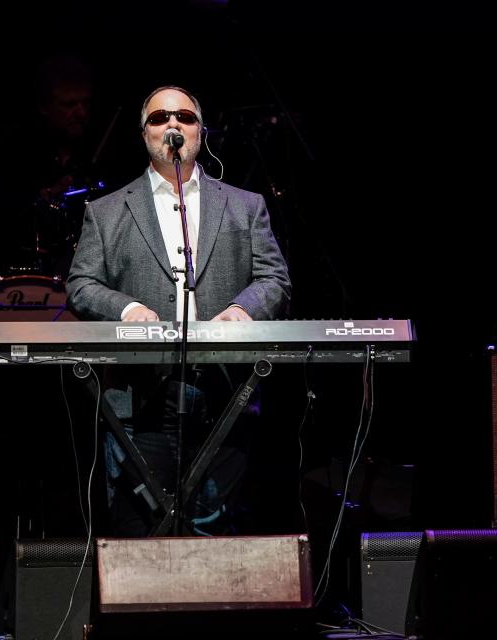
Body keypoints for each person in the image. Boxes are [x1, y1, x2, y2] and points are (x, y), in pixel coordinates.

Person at [67, 85, 291, 536]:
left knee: (215, 530)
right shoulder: (106, 211)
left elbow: (275, 279)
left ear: (200, 132)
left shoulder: (246, 206)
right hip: (139, 396)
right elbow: (80, 285)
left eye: (185, 117)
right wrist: (126, 306)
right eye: (159, 118)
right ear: (145, 134)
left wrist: (241, 310)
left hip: (224, 392)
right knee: (140, 528)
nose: (173, 124)